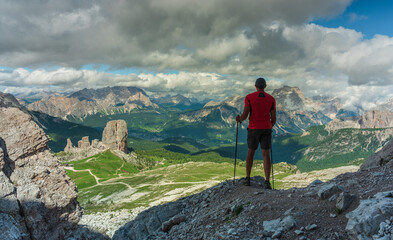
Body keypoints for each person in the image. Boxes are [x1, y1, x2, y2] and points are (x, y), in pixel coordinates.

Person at [236, 77, 276, 189]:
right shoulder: (271, 99)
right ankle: (267, 181)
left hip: (253, 129)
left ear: (255, 86)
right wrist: (269, 126)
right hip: (266, 129)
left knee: (250, 153)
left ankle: (247, 178)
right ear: (265, 86)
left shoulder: (249, 97)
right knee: (266, 154)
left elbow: (244, 116)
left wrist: (239, 119)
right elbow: (274, 118)